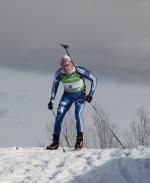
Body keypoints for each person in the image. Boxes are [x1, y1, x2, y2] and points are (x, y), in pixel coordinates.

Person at [46, 55, 97, 150]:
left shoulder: (78, 70)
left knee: (77, 113)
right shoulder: (59, 73)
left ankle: (79, 140)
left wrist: (90, 95)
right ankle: (55, 142)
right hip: (67, 96)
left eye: (67, 65)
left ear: (71, 63)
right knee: (59, 116)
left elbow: (94, 79)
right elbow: (54, 86)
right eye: (63, 66)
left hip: (79, 96)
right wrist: (52, 100)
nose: (65, 68)